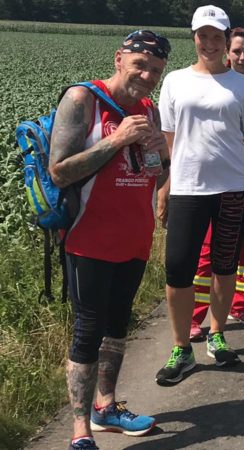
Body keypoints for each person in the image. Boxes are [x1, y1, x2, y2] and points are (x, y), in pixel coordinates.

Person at [49, 30, 171, 450]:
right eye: (140, 65)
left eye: (155, 70)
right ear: (120, 58)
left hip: (134, 236)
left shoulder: (148, 108)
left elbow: (157, 172)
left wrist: (159, 151)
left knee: (118, 325)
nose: (147, 75)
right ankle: (81, 432)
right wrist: (117, 139)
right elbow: (60, 171)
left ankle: (107, 408)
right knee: (88, 329)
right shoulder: (83, 100)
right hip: (89, 238)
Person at [155, 5, 244, 386]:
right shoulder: (174, 81)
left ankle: (217, 334)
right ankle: (181, 346)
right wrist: (167, 187)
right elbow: (170, 144)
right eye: (203, 36)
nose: (209, 43)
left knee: (224, 266)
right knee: (178, 269)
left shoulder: (243, 85)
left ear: (225, 41)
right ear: (194, 38)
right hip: (188, 189)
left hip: (235, 190)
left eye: (217, 37)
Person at [190, 27, 244, 339]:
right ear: (227, 52)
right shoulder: (211, 83)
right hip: (220, 176)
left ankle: (241, 305)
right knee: (208, 249)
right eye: (236, 51)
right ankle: (195, 317)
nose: (241, 57)